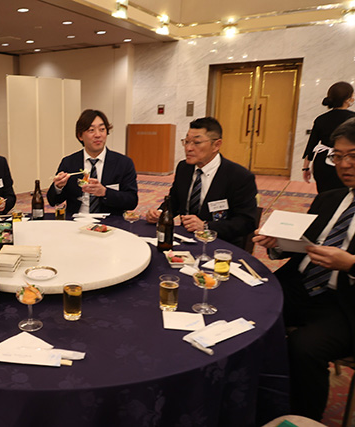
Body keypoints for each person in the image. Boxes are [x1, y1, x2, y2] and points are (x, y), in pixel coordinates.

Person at [254, 117, 355, 421]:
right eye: (338, 156)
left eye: (352, 156)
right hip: (299, 284)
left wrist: (350, 264)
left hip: (344, 304)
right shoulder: (329, 198)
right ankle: (251, 396)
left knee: (304, 348)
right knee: (247, 307)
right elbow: (304, 245)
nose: (344, 165)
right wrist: (277, 243)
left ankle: (302, 418)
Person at [145, 117, 258, 247]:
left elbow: (246, 222)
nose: (188, 148)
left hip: (220, 243)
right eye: (186, 142)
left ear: (216, 145)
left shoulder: (239, 176)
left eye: (196, 143)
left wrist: (206, 226)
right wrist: (160, 213)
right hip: (184, 238)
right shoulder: (184, 168)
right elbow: (175, 201)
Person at [46, 109, 138, 216]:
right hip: (76, 220)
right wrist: (58, 187)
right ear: (80, 136)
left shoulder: (123, 163)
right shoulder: (69, 162)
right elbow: (53, 201)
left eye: (102, 129)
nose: (98, 135)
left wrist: (105, 192)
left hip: (110, 222)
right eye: (91, 130)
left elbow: (132, 201)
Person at [302, 81, 355, 193]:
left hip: (322, 162)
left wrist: (305, 167)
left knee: (324, 195)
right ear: (347, 99)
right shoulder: (352, 119)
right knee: (345, 195)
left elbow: (311, 145)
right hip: (347, 160)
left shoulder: (320, 119)